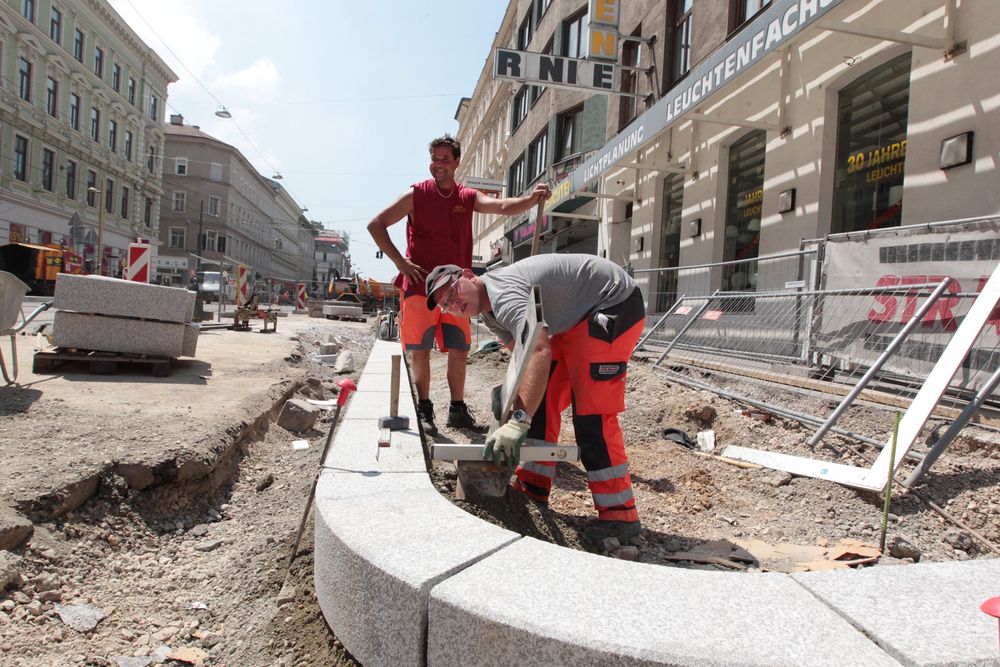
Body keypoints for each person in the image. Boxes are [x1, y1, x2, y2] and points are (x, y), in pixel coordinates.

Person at [424, 254, 647, 544]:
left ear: (467, 274)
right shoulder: (489, 313)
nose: (453, 304)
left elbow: (540, 350)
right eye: (445, 304)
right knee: (539, 401)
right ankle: (533, 488)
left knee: (592, 416)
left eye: (452, 291)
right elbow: (525, 358)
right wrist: (511, 396)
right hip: (578, 317)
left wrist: (518, 421)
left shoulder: (503, 295)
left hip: (612, 302)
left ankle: (620, 515)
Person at [368, 134, 550, 436]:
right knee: (421, 350)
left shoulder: (466, 196)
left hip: (456, 289)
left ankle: (457, 411)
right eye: (434, 159)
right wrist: (401, 264)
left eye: (444, 159)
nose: (437, 165)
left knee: (458, 349)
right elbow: (376, 224)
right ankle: (425, 410)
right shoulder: (416, 195)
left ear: (456, 162)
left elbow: (500, 205)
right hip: (419, 289)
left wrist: (530, 200)